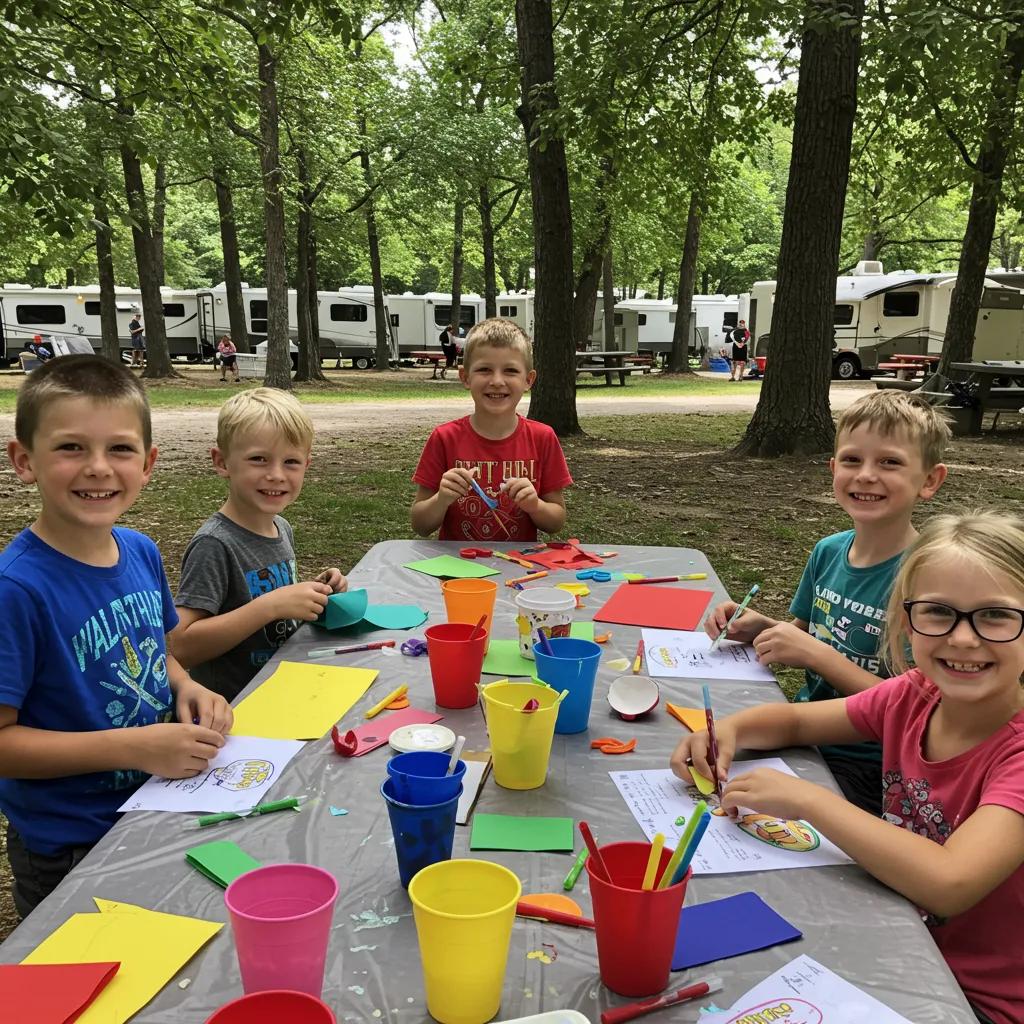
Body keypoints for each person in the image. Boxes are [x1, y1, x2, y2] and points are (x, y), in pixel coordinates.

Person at [671, 512, 1024, 1024]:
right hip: (894, 934)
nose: (963, 638)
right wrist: (727, 733)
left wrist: (807, 800)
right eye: (937, 613)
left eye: (995, 615)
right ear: (905, 624)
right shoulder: (915, 695)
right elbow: (795, 724)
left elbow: (950, 880)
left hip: (973, 1000)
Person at [0, 355, 233, 918]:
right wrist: (134, 747)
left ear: (149, 463)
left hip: (157, 805)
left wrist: (186, 688)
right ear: (24, 460)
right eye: (71, 447)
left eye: (120, 449)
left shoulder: (140, 551)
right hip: (71, 842)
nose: (98, 468)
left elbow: (160, 651)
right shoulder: (17, 590)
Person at [702, 390, 950, 814]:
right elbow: (809, 632)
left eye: (889, 462)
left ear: (929, 480)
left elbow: (917, 711)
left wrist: (816, 656)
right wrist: (762, 628)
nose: (866, 475)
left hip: (871, 766)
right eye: (852, 460)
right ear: (833, 468)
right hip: (803, 734)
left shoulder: (930, 578)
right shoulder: (829, 552)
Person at [172, 388, 348, 701]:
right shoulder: (214, 544)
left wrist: (317, 591)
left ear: (307, 465)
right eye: (258, 459)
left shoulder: (281, 527)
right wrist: (270, 607)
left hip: (280, 693)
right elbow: (181, 646)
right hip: (237, 709)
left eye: (291, 462)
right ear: (222, 462)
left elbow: (276, 600)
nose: (276, 475)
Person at [411, 317, 572, 542]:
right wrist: (442, 499)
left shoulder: (542, 438)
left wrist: (534, 506)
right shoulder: (444, 438)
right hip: (459, 571)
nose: (497, 381)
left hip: (520, 571)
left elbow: (556, 522)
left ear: (529, 380)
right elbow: (420, 525)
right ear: (465, 377)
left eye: (510, 371)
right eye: (484, 369)